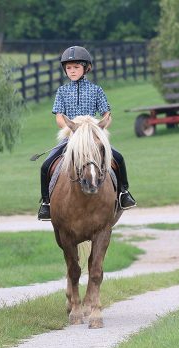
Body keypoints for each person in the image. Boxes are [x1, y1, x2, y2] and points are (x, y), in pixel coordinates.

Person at [37, 46, 136, 221]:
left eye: (76, 67)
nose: (72, 71)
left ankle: (123, 193)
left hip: (92, 136)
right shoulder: (62, 91)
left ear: (86, 68)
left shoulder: (96, 90)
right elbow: (59, 118)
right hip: (72, 136)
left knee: (118, 158)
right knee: (46, 165)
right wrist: (72, 128)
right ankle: (46, 203)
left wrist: (99, 127)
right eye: (69, 68)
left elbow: (107, 115)